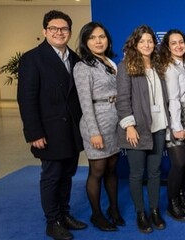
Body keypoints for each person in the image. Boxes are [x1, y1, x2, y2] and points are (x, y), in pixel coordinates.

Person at [17, 10, 87, 240]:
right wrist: (34, 132)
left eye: (64, 29)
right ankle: (53, 221)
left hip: (72, 130)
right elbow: (26, 99)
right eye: (54, 28)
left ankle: (64, 214)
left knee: (68, 174)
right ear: (45, 31)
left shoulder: (74, 58)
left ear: (69, 32)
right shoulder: (32, 59)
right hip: (48, 131)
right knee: (52, 176)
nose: (59, 32)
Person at [115, 25, 169, 234]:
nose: (147, 45)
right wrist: (129, 126)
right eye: (142, 41)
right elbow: (122, 99)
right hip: (137, 129)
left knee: (155, 172)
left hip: (159, 126)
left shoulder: (158, 65)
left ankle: (154, 210)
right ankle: (140, 213)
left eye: (150, 41)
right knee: (137, 173)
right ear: (135, 44)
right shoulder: (126, 66)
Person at [73, 22, 123, 232]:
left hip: (114, 121)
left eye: (102, 36)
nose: (98, 41)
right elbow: (85, 103)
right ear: (85, 41)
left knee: (112, 168)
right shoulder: (82, 67)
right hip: (96, 122)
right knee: (98, 170)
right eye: (92, 37)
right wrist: (94, 132)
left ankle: (113, 208)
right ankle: (97, 214)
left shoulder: (110, 62)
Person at [159, 29, 185, 222]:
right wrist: (176, 127)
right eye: (173, 43)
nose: (178, 46)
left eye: (181, 42)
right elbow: (173, 99)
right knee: (178, 163)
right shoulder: (169, 67)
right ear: (167, 46)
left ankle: (180, 197)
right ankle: (172, 204)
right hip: (177, 118)